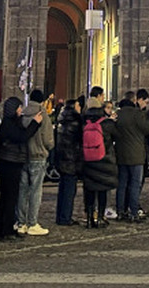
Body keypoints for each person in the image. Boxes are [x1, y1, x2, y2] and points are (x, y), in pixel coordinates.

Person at [0, 97, 41, 242]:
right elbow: (21, 137)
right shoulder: (8, 124)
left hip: (10, 162)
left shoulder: (10, 123)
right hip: (9, 163)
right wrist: (34, 124)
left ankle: (0, 230)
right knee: (9, 198)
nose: (21, 110)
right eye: (19, 107)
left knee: (6, 198)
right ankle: (5, 230)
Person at [16, 91, 54, 236]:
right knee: (35, 191)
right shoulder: (42, 115)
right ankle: (32, 222)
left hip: (24, 155)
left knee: (23, 190)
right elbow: (48, 139)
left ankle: (21, 222)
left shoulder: (23, 115)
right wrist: (48, 148)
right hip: (38, 155)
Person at [113, 97, 149, 222]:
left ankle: (120, 211)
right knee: (135, 185)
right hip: (136, 155)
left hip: (121, 154)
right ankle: (133, 212)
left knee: (122, 184)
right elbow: (148, 128)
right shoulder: (137, 114)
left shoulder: (117, 116)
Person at [81, 98, 118, 228]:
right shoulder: (107, 124)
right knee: (102, 190)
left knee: (90, 190)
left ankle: (90, 218)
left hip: (88, 160)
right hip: (104, 160)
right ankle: (101, 217)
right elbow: (117, 136)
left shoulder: (84, 123)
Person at [53, 99, 84, 227]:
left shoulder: (62, 121)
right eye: (77, 105)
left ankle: (61, 216)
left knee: (63, 188)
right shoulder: (75, 122)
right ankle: (66, 217)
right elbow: (79, 140)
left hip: (62, 158)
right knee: (70, 190)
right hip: (71, 159)